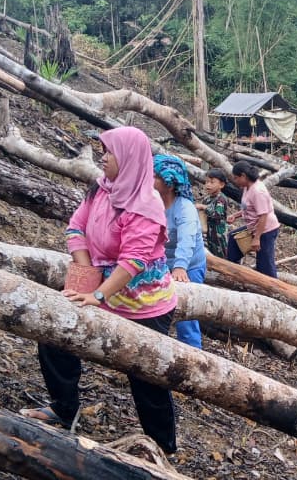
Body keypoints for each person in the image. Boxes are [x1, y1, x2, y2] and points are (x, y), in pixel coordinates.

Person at [22, 126, 177, 454]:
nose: (103, 157)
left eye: (109, 152)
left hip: (143, 304)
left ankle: (161, 448)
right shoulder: (101, 189)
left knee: (146, 376)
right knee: (56, 333)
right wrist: (87, 275)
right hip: (101, 288)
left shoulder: (146, 204)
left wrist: (98, 295)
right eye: (102, 150)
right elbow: (76, 227)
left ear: (130, 158)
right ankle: (64, 409)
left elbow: (133, 261)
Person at [154, 154, 205, 350]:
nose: (150, 179)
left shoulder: (185, 209)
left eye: (155, 176)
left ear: (169, 183)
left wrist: (180, 267)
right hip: (162, 263)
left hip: (189, 265)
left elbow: (187, 239)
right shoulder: (152, 201)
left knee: (187, 316)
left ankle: (194, 354)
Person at [227, 161, 280, 277]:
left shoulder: (257, 191)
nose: (235, 181)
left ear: (243, 176)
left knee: (265, 264)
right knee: (233, 239)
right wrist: (235, 216)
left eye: (236, 178)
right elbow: (249, 208)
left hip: (266, 230)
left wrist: (257, 238)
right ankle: (233, 271)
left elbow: (263, 215)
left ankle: (272, 289)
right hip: (254, 226)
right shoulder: (247, 187)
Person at [196, 168, 235, 257]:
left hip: (219, 233)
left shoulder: (221, 199)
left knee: (221, 253)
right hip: (209, 232)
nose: (208, 185)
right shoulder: (207, 198)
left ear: (221, 185)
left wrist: (204, 207)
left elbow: (217, 214)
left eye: (212, 182)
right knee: (211, 251)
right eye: (207, 182)